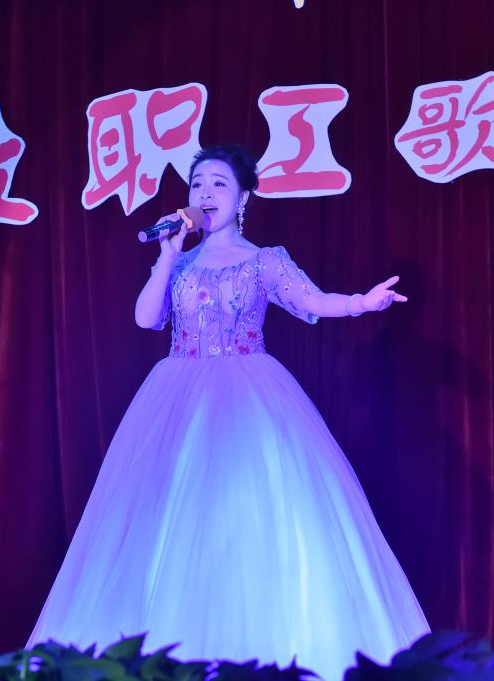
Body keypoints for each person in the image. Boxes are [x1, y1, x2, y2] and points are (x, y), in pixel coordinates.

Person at [28, 144, 429, 680]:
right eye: (197, 184)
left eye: (218, 183)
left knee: (247, 518)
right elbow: (147, 319)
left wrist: (361, 302)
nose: (205, 193)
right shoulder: (179, 262)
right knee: (160, 522)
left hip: (248, 393)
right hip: (176, 395)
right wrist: (168, 253)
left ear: (243, 197)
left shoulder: (265, 261)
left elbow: (311, 300)